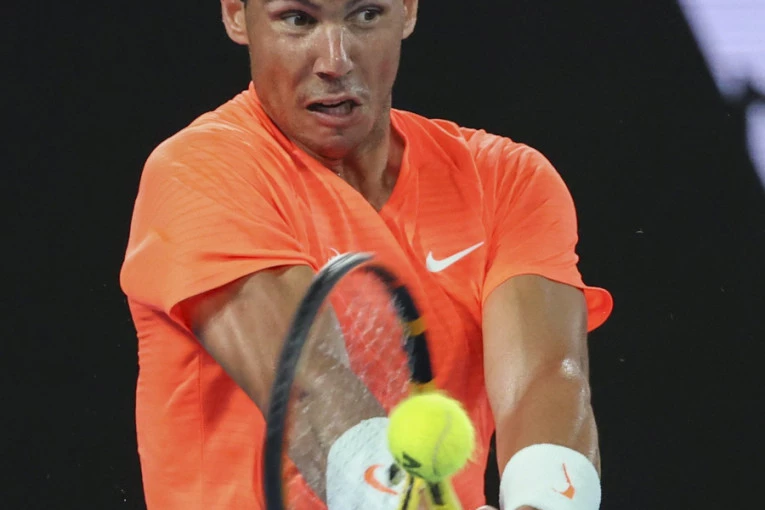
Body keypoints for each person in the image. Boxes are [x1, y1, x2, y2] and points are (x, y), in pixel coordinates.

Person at [119, 0, 613, 509]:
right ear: (235, 15)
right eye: (298, 19)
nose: (335, 61)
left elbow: (544, 380)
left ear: (408, 10)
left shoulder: (506, 180)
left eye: (366, 15)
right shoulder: (198, 173)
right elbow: (311, 388)